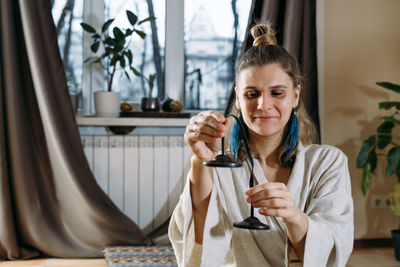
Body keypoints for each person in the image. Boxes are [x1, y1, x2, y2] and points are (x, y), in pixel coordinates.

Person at [168, 23, 354, 267]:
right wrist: (201, 158)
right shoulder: (222, 166)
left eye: (277, 93)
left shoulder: (327, 162)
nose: (263, 105)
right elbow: (199, 242)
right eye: (252, 94)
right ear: (238, 97)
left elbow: (330, 254)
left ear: (296, 95)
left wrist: (293, 215)